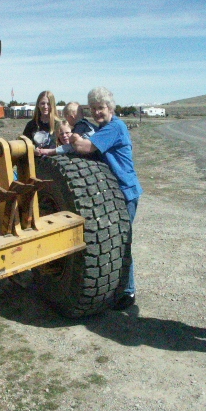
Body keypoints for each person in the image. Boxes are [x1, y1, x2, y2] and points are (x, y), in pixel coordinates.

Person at [69, 87, 143, 310]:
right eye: (93, 108)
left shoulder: (115, 127)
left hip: (125, 192)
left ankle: (128, 291)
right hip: (113, 194)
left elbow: (84, 146)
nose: (97, 112)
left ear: (110, 107)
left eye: (100, 107)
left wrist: (74, 137)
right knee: (113, 241)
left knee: (122, 242)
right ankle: (116, 288)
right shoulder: (102, 128)